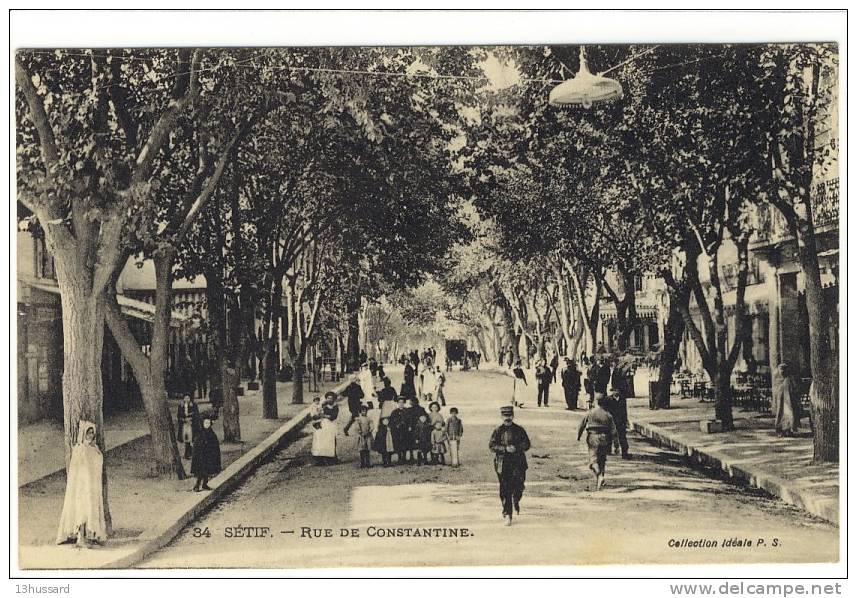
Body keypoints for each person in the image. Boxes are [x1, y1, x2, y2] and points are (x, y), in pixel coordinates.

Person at [56, 421, 108, 547]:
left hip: (92, 486)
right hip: (81, 486)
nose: (90, 436)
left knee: (90, 509)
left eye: (92, 433)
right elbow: (76, 471)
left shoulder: (95, 450)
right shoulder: (79, 450)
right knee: (81, 510)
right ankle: (80, 537)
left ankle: (89, 535)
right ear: (83, 434)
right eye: (87, 433)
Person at [489, 405, 531, 526]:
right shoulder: (498, 431)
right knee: (505, 488)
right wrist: (505, 449)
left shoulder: (519, 430)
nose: (507, 418)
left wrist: (517, 448)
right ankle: (507, 513)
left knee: (519, 486)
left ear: (513, 416)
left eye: (509, 416)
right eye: (505, 416)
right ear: (501, 417)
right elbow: (492, 446)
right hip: (503, 463)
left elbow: (527, 444)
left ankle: (516, 498)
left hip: (518, 463)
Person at [577, 393, 621, 491]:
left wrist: (579, 436)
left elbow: (582, 425)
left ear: (596, 402)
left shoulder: (590, 413)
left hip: (593, 437)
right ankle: (600, 481)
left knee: (593, 461)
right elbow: (614, 431)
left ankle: (599, 475)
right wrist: (617, 446)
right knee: (602, 460)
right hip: (605, 438)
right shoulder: (608, 415)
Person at [191, 414, 222, 492]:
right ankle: (197, 485)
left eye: (208, 423)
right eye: (205, 423)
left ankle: (205, 484)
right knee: (201, 471)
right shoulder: (200, 434)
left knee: (208, 470)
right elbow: (197, 445)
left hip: (209, 456)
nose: (207, 425)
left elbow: (215, 445)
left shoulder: (211, 433)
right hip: (201, 456)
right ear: (202, 423)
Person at [772, 363, 802, 436]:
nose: (782, 372)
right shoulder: (778, 380)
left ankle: (789, 429)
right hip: (781, 400)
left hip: (789, 400)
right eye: (781, 370)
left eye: (784, 370)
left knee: (789, 414)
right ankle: (781, 429)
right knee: (781, 413)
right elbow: (777, 391)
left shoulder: (789, 379)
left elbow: (794, 389)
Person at [312, 392, 340, 465]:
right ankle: (320, 458)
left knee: (330, 440)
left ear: (334, 399)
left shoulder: (335, 407)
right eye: (328, 398)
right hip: (324, 424)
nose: (329, 400)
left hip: (331, 424)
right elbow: (317, 413)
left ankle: (331, 458)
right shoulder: (323, 405)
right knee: (321, 439)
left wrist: (324, 415)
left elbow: (333, 416)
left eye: (331, 398)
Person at [603, 392, 630, 459]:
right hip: (611, 420)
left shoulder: (622, 399)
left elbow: (624, 411)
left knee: (622, 436)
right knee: (608, 436)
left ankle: (625, 452)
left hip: (620, 421)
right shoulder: (608, 399)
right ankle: (608, 450)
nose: (616, 392)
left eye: (617, 390)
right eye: (614, 390)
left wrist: (626, 420)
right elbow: (605, 411)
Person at [176, 393, 201, 459]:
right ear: (183, 399)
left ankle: (192, 452)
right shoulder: (181, 406)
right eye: (185, 398)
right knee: (185, 438)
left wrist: (191, 419)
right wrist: (183, 419)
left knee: (191, 438)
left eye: (188, 398)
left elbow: (197, 414)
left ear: (190, 399)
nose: (187, 399)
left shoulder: (194, 405)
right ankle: (187, 453)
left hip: (191, 424)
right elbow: (178, 415)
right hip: (184, 424)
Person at [389, 398, 410, 465]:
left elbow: (410, 420)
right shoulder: (394, 412)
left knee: (405, 443)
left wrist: (409, 426)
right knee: (398, 444)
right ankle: (399, 458)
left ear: (404, 403)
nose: (401, 404)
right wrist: (396, 425)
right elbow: (391, 421)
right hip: (397, 431)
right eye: (399, 402)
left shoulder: (407, 411)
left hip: (405, 430)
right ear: (397, 403)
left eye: (402, 402)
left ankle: (404, 458)